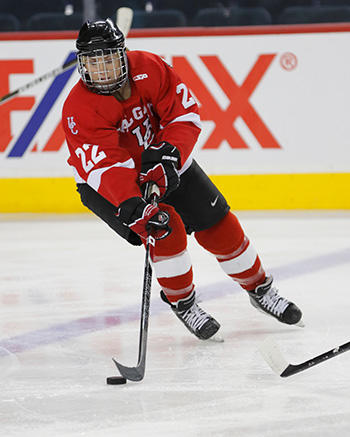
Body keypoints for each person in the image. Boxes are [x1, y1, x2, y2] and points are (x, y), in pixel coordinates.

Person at [62, 18, 303, 341]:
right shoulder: (79, 108)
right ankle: (183, 303)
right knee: (166, 228)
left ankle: (260, 289)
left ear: (123, 54)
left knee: (220, 225)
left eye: (107, 59)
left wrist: (170, 152)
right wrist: (131, 201)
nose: (102, 70)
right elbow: (104, 165)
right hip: (112, 185)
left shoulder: (150, 67)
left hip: (164, 161)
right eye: (93, 62)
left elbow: (183, 114)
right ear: (82, 65)